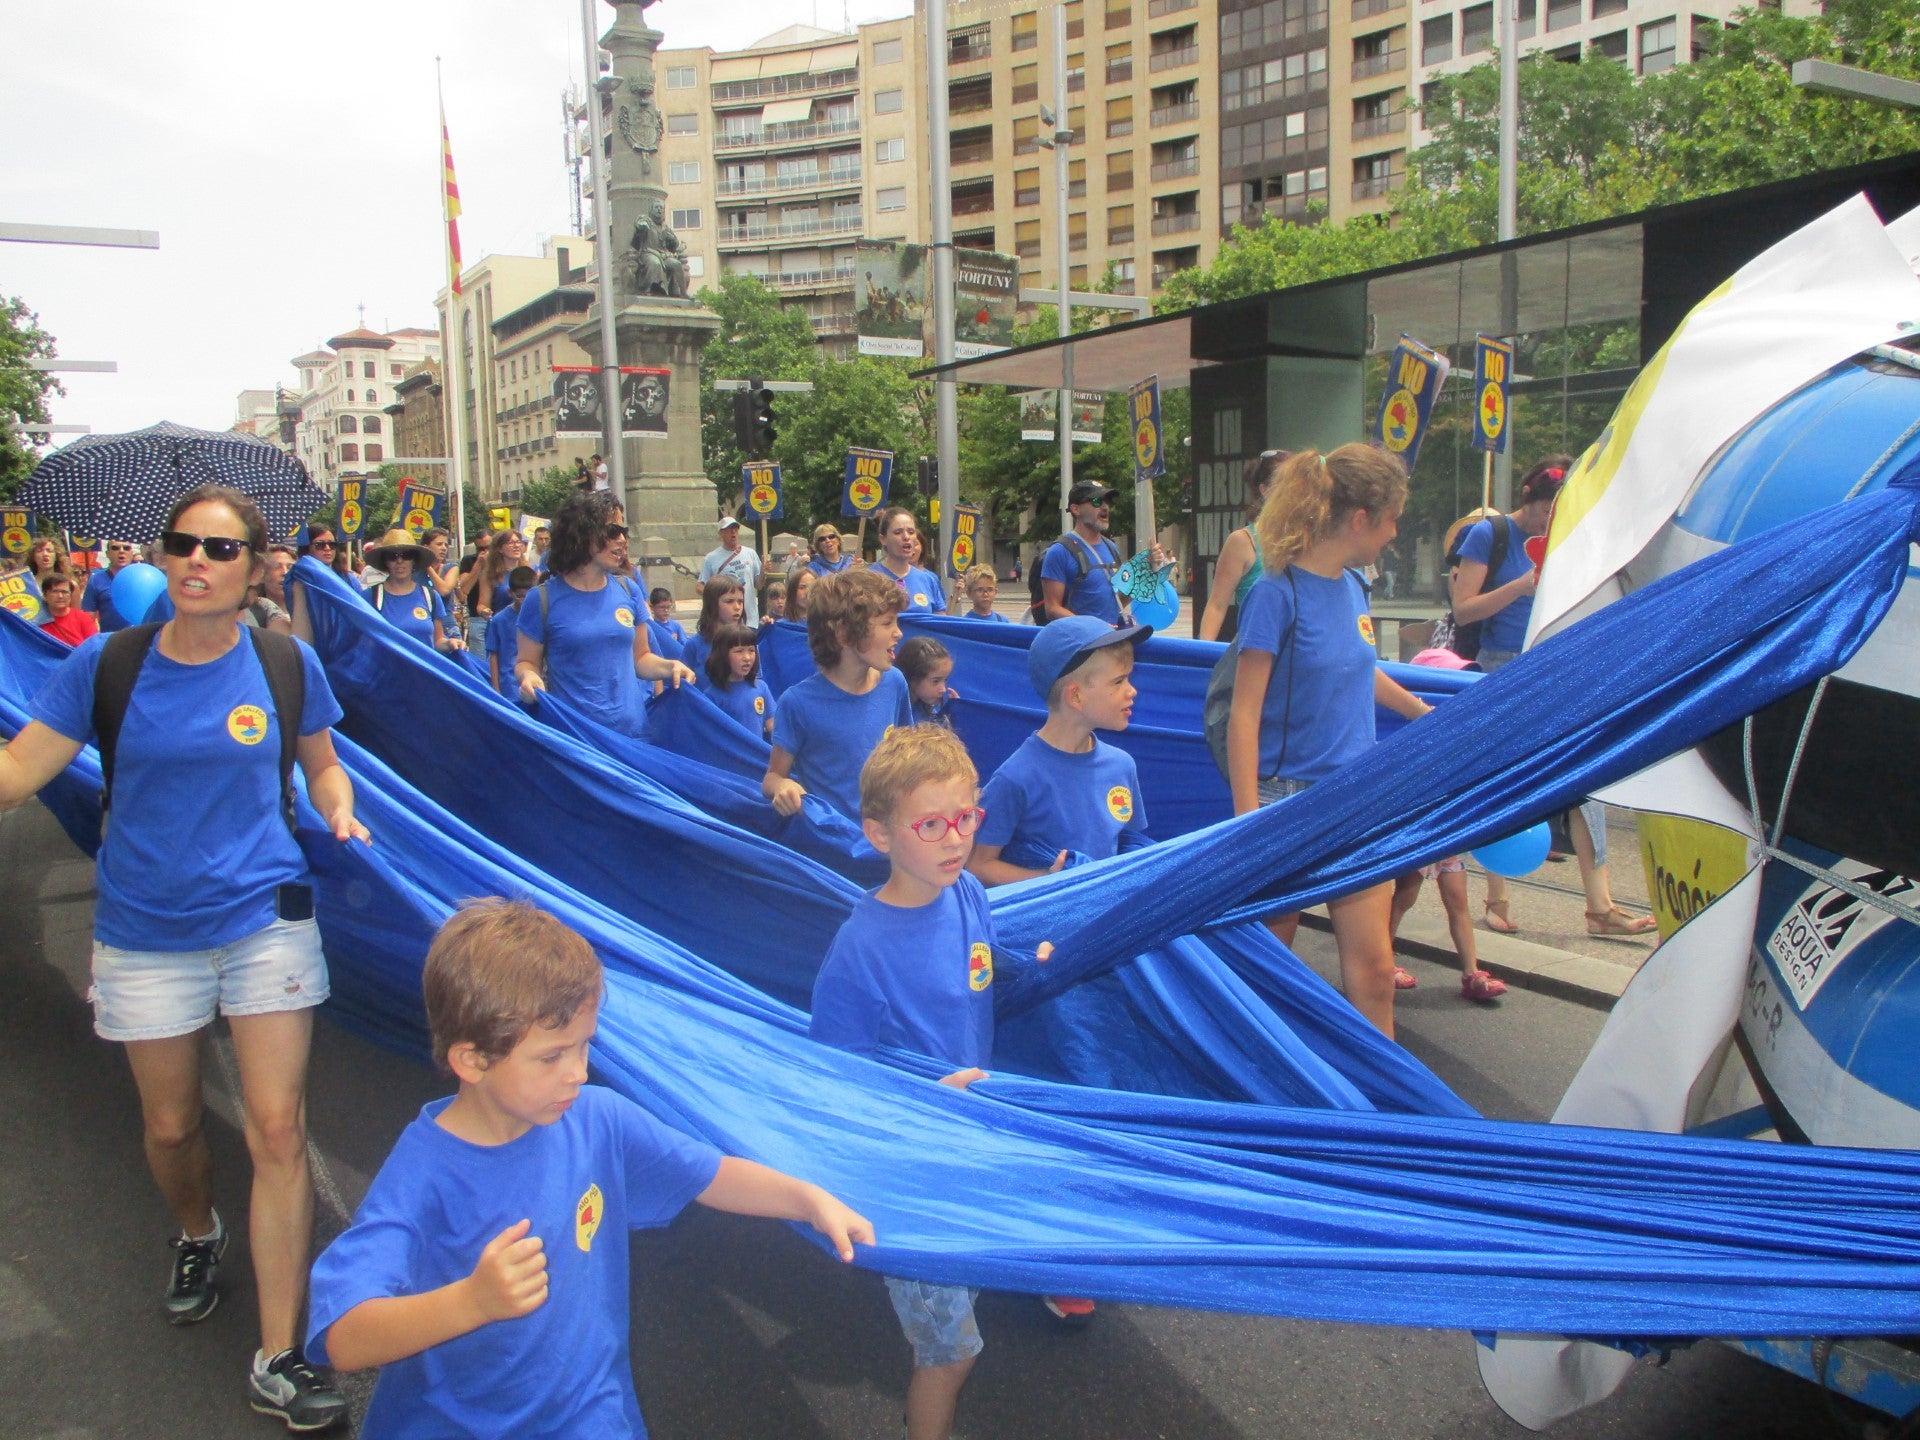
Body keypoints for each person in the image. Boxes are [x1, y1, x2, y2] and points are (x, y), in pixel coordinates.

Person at [0, 482, 368, 1430]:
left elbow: (323, 761)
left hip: (264, 918)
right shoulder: (107, 665)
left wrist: (337, 806)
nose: (197, 560)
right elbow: (19, 769)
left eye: (220, 548)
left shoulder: (282, 662)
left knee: (277, 1131)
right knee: (171, 1131)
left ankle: (279, 1357)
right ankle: (199, 1231)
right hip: (144, 929)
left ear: (254, 570)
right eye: (182, 543)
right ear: (163, 558)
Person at [305, 899, 872, 1438]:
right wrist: (472, 1301)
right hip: (458, 1426)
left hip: (589, 1416)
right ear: (472, 1061)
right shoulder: (425, 1173)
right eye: (552, 1056)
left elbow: (708, 1174)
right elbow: (345, 1338)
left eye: (583, 1046)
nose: (578, 1072)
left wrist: (805, 1199)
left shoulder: (596, 1119)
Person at [809, 726, 1053, 1440]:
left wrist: (1030, 963)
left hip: (968, 1143)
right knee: (950, 1354)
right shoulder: (860, 948)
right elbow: (833, 1076)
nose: (956, 839)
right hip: (908, 1166)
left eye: (966, 817)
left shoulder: (968, 891)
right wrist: (923, 1100)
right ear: (879, 834)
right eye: (931, 825)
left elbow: (979, 964)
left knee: (966, 1290)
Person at [1225, 445, 1432, 1040]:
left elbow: (1357, 666)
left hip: (1355, 796)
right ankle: (1258, 1079)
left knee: (1375, 972)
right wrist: (1248, 819)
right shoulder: (1275, 593)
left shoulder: (1354, 587)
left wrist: (1422, 712)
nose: (1395, 534)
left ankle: (1380, 1094)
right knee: (1269, 968)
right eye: (1391, 520)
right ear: (1360, 519)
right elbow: (1244, 713)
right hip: (1285, 799)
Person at [970, 614, 1150, 887]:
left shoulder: (1122, 765)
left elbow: (1129, 842)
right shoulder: (1016, 778)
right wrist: (1048, 880)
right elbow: (978, 866)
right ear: (1075, 696)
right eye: (1118, 681)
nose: (1132, 691)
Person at [515, 491, 694, 738]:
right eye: (613, 531)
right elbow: (526, 662)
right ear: (582, 534)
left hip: (633, 735)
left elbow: (641, 658)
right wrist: (529, 677)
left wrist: (671, 666)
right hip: (576, 737)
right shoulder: (542, 598)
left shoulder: (628, 590)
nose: (622, 540)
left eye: (624, 531)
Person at [764, 568, 911, 822]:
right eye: (887, 623)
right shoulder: (798, 703)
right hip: (834, 840)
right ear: (844, 635)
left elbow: (907, 756)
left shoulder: (895, 682)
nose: (898, 632)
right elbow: (772, 776)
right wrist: (782, 786)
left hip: (888, 835)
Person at [1039, 482, 1166, 626]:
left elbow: (1118, 602)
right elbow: (1052, 609)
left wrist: (1147, 569)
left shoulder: (1111, 547)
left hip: (1110, 637)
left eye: (1107, 501)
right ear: (1076, 509)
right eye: (1096, 501)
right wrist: (1095, 627)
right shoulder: (1060, 551)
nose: (1105, 507)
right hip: (1080, 639)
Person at [1198, 450, 1290, 643]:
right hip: (1255, 649)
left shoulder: (1308, 540)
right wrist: (1204, 654)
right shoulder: (1243, 541)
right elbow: (1217, 605)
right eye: (1286, 482)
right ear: (1265, 490)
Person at [363, 529, 460, 653]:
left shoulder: (430, 596)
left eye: (406, 555)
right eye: (392, 556)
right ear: (385, 561)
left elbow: (437, 641)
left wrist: (450, 643)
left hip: (423, 665)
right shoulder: (370, 597)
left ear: (414, 560)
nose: (399, 561)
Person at [704, 622, 776, 741]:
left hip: (757, 752)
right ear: (722, 655)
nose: (747, 657)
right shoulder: (712, 695)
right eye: (739, 651)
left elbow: (772, 724)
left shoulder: (761, 687)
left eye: (751, 650)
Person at [870, 507, 948, 614]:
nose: (906, 537)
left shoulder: (928, 579)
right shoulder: (868, 579)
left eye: (911, 532)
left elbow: (940, 620)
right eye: (898, 532)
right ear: (883, 539)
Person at [464, 529, 528, 651]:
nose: (516, 546)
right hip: (502, 629)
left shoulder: (531, 571)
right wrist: (484, 611)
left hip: (526, 628)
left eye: (518, 542)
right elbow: (481, 605)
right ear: (500, 549)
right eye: (510, 543)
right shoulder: (490, 574)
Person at [680, 575, 746, 684]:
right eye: (729, 601)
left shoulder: (747, 642)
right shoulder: (694, 645)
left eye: (740, 601)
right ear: (712, 604)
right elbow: (683, 685)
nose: (737, 607)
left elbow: (756, 683)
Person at [698, 516, 763, 626]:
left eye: (735, 529)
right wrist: (717, 596)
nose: (733, 532)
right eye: (729, 529)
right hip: (724, 621)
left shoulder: (750, 553)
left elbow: (759, 585)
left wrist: (764, 572)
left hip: (750, 620)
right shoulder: (711, 558)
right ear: (721, 533)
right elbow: (700, 586)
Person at [485, 566, 537, 697]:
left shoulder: (540, 617)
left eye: (528, 596)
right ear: (510, 593)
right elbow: (493, 656)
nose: (524, 601)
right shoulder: (499, 620)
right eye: (519, 596)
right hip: (509, 687)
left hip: (535, 685)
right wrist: (496, 689)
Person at [82, 536, 140, 632]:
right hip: (110, 638)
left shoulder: (143, 577)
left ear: (132, 553)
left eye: (126, 548)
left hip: (141, 637)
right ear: (107, 554)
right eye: (115, 548)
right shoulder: (96, 580)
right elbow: (88, 618)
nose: (121, 551)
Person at [898, 636, 957, 728]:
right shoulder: (893, 710)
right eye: (935, 681)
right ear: (913, 678)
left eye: (945, 680)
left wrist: (956, 714)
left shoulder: (926, 710)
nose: (943, 689)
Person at [37, 571, 98, 646]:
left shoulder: (83, 618)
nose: (60, 596)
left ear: (70, 595)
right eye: (55, 592)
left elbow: (94, 646)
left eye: (64, 592)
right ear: (45, 595)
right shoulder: (38, 620)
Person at [646, 586, 688, 661]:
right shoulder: (650, 627)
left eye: (668, 607)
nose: (666, 610)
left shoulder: (676, 626)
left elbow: (685, 646)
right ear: (652, 607)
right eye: (662, 607)